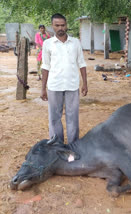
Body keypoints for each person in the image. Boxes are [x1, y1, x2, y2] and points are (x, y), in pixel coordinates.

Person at [40, 13, 88, 144]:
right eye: (57, 25)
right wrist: (43, 88)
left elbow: (82, 63)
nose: (60, 28)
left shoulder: (75, 42)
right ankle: (56, 145)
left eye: (63, 25)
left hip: (72, 85)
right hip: (54, 86)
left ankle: (73, 145)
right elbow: (45, 66)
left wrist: (85, 83)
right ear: (52, 26)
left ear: (66, 25)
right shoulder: (47, 44)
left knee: (72, 117)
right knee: (54, 118)